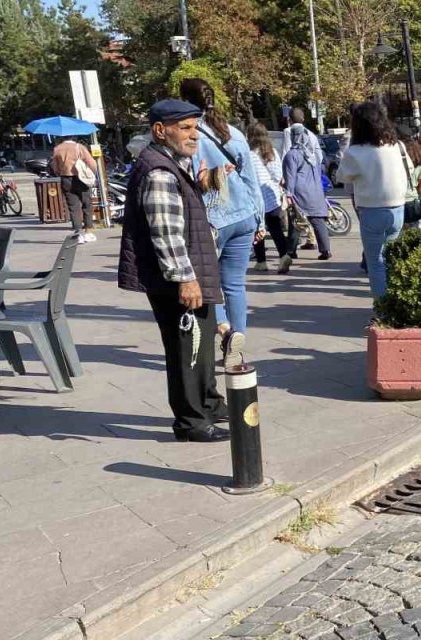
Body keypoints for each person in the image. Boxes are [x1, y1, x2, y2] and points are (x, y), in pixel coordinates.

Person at [117, 99, 229, 443]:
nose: (194, 135)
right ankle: (191, 422)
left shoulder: (170, 164)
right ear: (160, 130)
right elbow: (164, 232)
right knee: (188, 350)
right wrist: (186, 278)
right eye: (185, 128)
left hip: (192, 273)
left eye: (195, 127)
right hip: (179, 279)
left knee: (201, 343)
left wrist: (204, 185)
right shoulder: (160, 170)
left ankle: (207, 403)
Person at [180, 78, 265, 370]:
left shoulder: (188, 138)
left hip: (212, 221)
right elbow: (252, 179)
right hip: (243, 215)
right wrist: (260, 219)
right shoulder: (233, 132)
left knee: (206, 283)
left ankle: (224, 330)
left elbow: (189, 181)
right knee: (235, 285)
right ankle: (237, 346)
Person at [335, 101, 409, 299]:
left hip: (372, 210)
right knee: (391, 258)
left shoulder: (355, 152)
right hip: (398, 208)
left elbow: (342, 176)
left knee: (376, 261)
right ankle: (397, 301)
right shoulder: (396, 146)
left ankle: (383, 308)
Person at [247, 123, 291, 274]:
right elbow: (279, 176)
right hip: (272, 195)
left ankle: (261, 261)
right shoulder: (272, 153)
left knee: (258, 230)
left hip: (256, 197)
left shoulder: (249, 154)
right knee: (276, 229)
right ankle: (284, 255)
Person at [282, 123, 330, 261]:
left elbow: (290, 177)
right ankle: (326, 250)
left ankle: (291, 251)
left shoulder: (292, 155)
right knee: (317, 220)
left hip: (300, 192)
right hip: (316, 190)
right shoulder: (312, 154)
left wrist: (289, 194)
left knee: (296, 221)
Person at [51, 136, 98, 243]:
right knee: (87, 204)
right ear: (74, 138)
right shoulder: (79, 147)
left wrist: (60, 171)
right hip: (81, 179)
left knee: (73, 207)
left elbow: (55, 167)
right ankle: (88, 231)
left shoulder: (57, 149)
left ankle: (78, 233)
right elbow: (92, 163)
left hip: (66, 179)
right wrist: (92, 174)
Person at [403, 139, 421, 229]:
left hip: (401, 200)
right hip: (414, 201)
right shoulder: (420, 165)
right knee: (416, 229)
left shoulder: (399, 164)